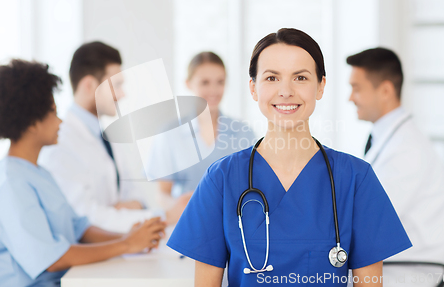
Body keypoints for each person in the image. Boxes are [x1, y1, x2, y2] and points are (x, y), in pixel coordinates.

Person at [167, 28, 412, 286]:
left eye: (301, 78)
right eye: (272, 78)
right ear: (253, 88)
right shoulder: (221, 179)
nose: (285, 91)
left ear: (321, 86)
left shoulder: (356, 179)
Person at [0, 59, 165, 287]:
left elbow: (79, 228)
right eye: (53, 112)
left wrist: (130, 238)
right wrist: (126, 245)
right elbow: (51, 259)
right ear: (33, 122)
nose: (60, 121)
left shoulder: (38, 173)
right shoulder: (10, 183)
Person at [39, 42, 189, 233]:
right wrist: (163, 216)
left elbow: (137, 198)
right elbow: (84, 218)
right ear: (89, 85)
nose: (122, 94)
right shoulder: (60, 142)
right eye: (116, 85)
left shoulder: (106, 137)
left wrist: (118, 209)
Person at [347, 47, 444, 270]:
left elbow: (370, 220)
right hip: (392, 261)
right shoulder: (389, 138)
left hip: (409, 269)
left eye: (356, 89)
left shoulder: (407, 150)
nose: (350, 98)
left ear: (385, 90)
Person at [156, 52, 256, 199]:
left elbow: (253, 185)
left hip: (231, 219)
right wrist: (178, 210)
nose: (213, 90)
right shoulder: (170, 133)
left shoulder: (244, 132)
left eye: (220, 82)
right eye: (205, 82)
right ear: (188, 84)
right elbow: (163, 194)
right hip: (186, 219)